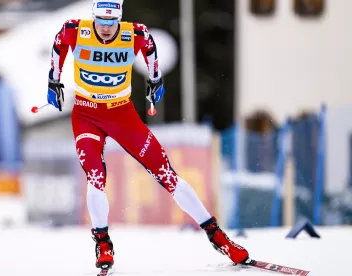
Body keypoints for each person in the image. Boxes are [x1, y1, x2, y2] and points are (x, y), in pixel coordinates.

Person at [46, 0, 250, 274]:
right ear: (93, 17)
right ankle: (103, 242)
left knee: (165, 173)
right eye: (101, 21)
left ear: (119, 18)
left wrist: (155, 81)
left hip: (122, 115)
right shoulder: (75, 30)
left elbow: (152, 51)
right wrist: (53, 81)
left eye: (112, 22)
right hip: (86, 115)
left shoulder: (135, 33)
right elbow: (58, 47)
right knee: (95, 176)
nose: (106, 28)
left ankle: (216, 235)